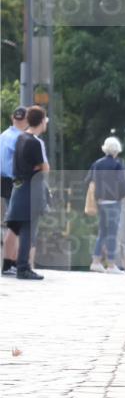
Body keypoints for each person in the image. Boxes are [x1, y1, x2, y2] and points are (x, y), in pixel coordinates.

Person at [4, 106, 49, 280]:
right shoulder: (35, 142)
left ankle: (14, 265)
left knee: (18, 227)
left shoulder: (20, 138)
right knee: (28, 229)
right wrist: (38, 167)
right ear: (41, 121)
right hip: (31, 188)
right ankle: (23, 267)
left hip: (18, 186)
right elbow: (45, 168)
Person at [86, 136, 125, 273]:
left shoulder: (97, 163)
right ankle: (111, 265)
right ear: (116, 150)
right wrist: (121, 196)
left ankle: (95, 262)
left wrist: (97, 195)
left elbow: (88, 180)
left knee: (102, 232)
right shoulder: (117, 165)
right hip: (113, 203)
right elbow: (122, 184)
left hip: (100, 202)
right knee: (112, 233)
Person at [1, 107, 29, 276]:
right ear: (26, 120)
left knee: (12, 222)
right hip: (15, 181)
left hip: (3, 180)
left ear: (13, 118)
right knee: (15, 224)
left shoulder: (3, 135)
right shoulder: (21, 138)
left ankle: (10, 263)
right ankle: (9, 263)